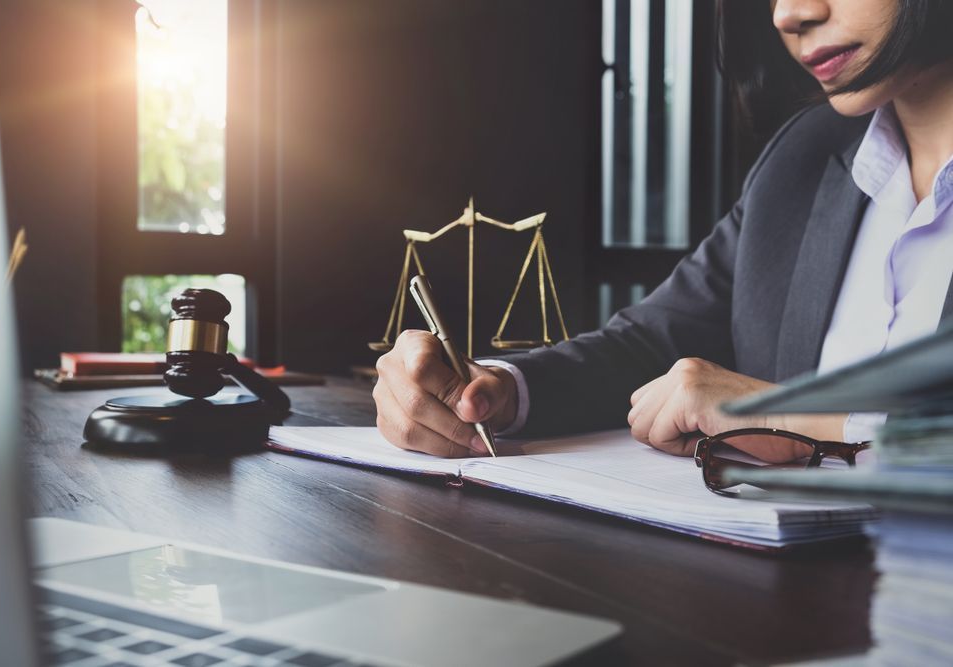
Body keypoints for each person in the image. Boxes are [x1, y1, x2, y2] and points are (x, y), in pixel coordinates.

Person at [373, 0, 953, 460]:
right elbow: (654, 345)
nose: (788, 13)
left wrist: (802, 419)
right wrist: (494, 390)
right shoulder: (805, 156)